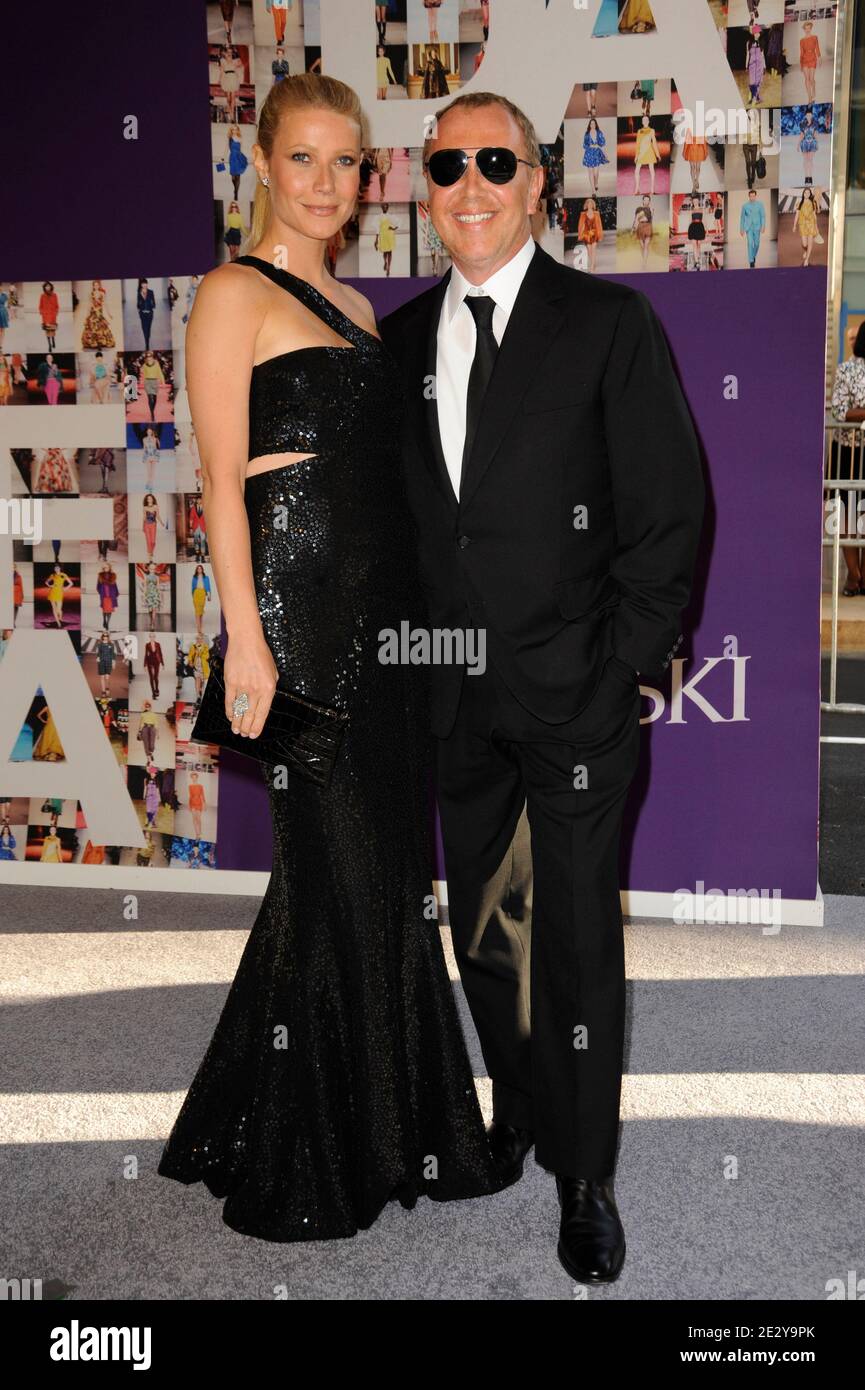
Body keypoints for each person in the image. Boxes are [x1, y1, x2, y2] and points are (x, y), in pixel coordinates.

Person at [157, 72, 508, 1241]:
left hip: (387, 620)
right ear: (262, 164)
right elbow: (219, 481)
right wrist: (243, 639)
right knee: (335, 865)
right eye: (302, 158)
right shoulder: (227, 294)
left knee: (371, 873)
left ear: (365, 178)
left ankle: (358, 1120)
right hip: (296, 616)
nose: (324, 183)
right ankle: (315, 1152)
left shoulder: (361, 308)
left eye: (344, 163)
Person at [380, 90, 704, 1283]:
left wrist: (616, 669)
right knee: (484, 930)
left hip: (574, 696)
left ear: (535, 186)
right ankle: (517, 1106)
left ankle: (584, 1172)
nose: (469, 185)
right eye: (447, 164)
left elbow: (669, 518)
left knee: (573, 939)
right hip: (453, 698)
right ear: (429, 185)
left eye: (494, 163)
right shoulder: (402, 338)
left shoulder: (608, 324)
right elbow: (411, 531)